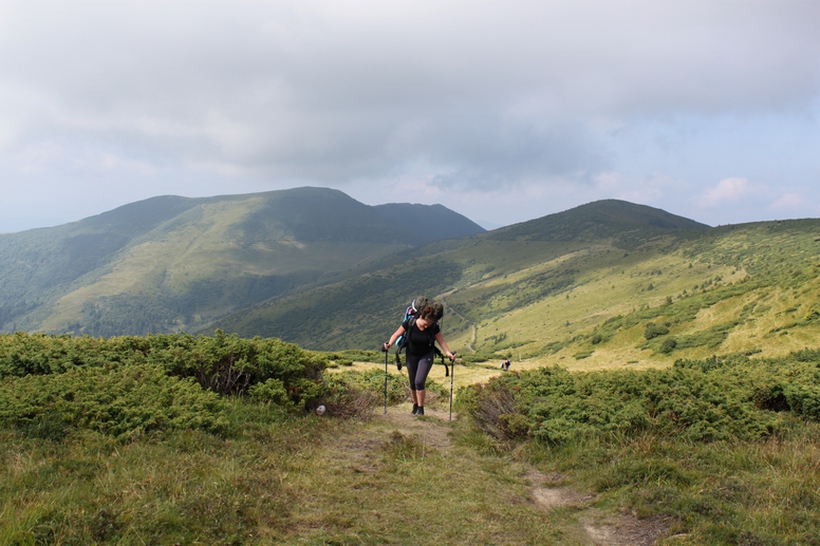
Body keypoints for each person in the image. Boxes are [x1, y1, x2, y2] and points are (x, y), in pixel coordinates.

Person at [384, 304, 455, 416]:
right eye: (426, 324)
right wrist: (388, 345)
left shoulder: (433, 327)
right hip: (411, 354)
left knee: (419, 381)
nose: (427, 327)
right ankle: (415, 405)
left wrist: (448, 353)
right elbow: (397, 334)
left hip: (426, 355)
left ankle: (421, 409)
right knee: (412, 382)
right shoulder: (410, 323)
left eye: (429, 324)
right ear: (421, 317)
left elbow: (441, 341)